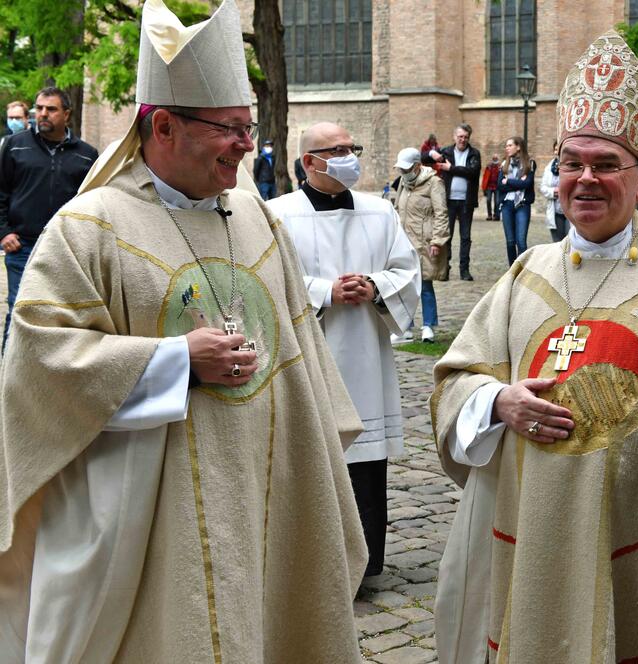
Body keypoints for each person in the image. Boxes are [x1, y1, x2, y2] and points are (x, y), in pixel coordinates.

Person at [0, 2, 369, 661]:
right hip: (151, 522)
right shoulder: (89, 230)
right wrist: (172, 361)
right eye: (230, 129)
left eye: (248, 127)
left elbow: (302, 353)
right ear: (163, 125)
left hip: (267, 489)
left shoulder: (259, 221)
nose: (247, 146)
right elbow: (41, 363)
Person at [431, 30, 638, 664]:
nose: (584, 180)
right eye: (571, 164)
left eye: (605, 165)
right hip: (535, 521)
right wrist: (498, 401)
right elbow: (455, 382)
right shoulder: (525, 273)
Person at [268, 123, 421, 578]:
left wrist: (375, 285)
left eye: (351, 148)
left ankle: (366, 562)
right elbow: (267, 279)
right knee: (310, 459)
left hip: (365, 356)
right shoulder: (277, 215)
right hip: (308, 353)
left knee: (366, 465)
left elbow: (407, 269)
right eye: (336, 150)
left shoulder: (379, 211)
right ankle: (312, 568)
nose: (349, 155)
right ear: (309, 162)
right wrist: (323, 291)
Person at [0, 86, 98, 350]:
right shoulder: (14, 146)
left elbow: (92, 203)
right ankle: (10, 379)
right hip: (22, 246)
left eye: (51, 109)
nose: (42, 114)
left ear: (66, 114)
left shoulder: (87, 155)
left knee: (61, 317)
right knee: (19, 312)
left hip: (65, 249)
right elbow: (1, 192)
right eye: (39, 108)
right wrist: (4, 232)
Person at [392, 146, 448, 343]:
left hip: (424, 241)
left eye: (406, 169)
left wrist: (438, 240)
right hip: (404, 240)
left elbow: (441, 213)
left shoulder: (434, 183)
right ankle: (404, 327)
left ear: (417, 166)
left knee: (424, 284)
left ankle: (428, 326)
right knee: (403, 285)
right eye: (401, 170)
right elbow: (397, 207)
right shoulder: (403, 183)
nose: (403, 173)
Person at [431, 124, 481, 282]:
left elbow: (472, 172)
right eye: (460, 136)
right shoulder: (446, 151)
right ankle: (445, 268)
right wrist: (432, 152)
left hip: (466, 201)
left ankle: (464, 270)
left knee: (465, 237)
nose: (463, 140)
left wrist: (450, 168)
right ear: (454, 137)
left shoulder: (474, 153)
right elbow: (424, 156)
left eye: (466, 137)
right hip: (448, 200)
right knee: (447, 236)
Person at [496, 135, 533, 264]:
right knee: (510, 241)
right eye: (506, 146)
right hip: (507, 204)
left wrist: (509, 181)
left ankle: (522, 271)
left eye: (510, 145)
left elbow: (527, 184)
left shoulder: (529, 164)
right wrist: (517, 183)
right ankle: (512, 271)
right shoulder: (504, 164)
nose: (507, 148)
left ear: (518, 147)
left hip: (522, 204)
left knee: (521, 241)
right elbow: (500, 185)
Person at [540, 139, 569, 241]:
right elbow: (543, 187)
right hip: (555, 210)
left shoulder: (572, 165)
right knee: (557, 243)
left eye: (560, 149)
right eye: (556, 150)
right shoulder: (549, 168)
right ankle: (559, 258)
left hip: (570, 210)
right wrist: (554, 192)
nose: (557, 152)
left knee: (571, 241)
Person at [481, 154, 501, 220]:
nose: (495, 159)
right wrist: (484, 187)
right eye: (494, 158)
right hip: (489, 186)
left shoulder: (500, 167)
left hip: (497, 186)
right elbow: (485, 176)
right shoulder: (489, 166)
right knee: (488, 200)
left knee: (497, 201)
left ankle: (495, 215)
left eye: (496, 158)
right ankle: (489, 215)